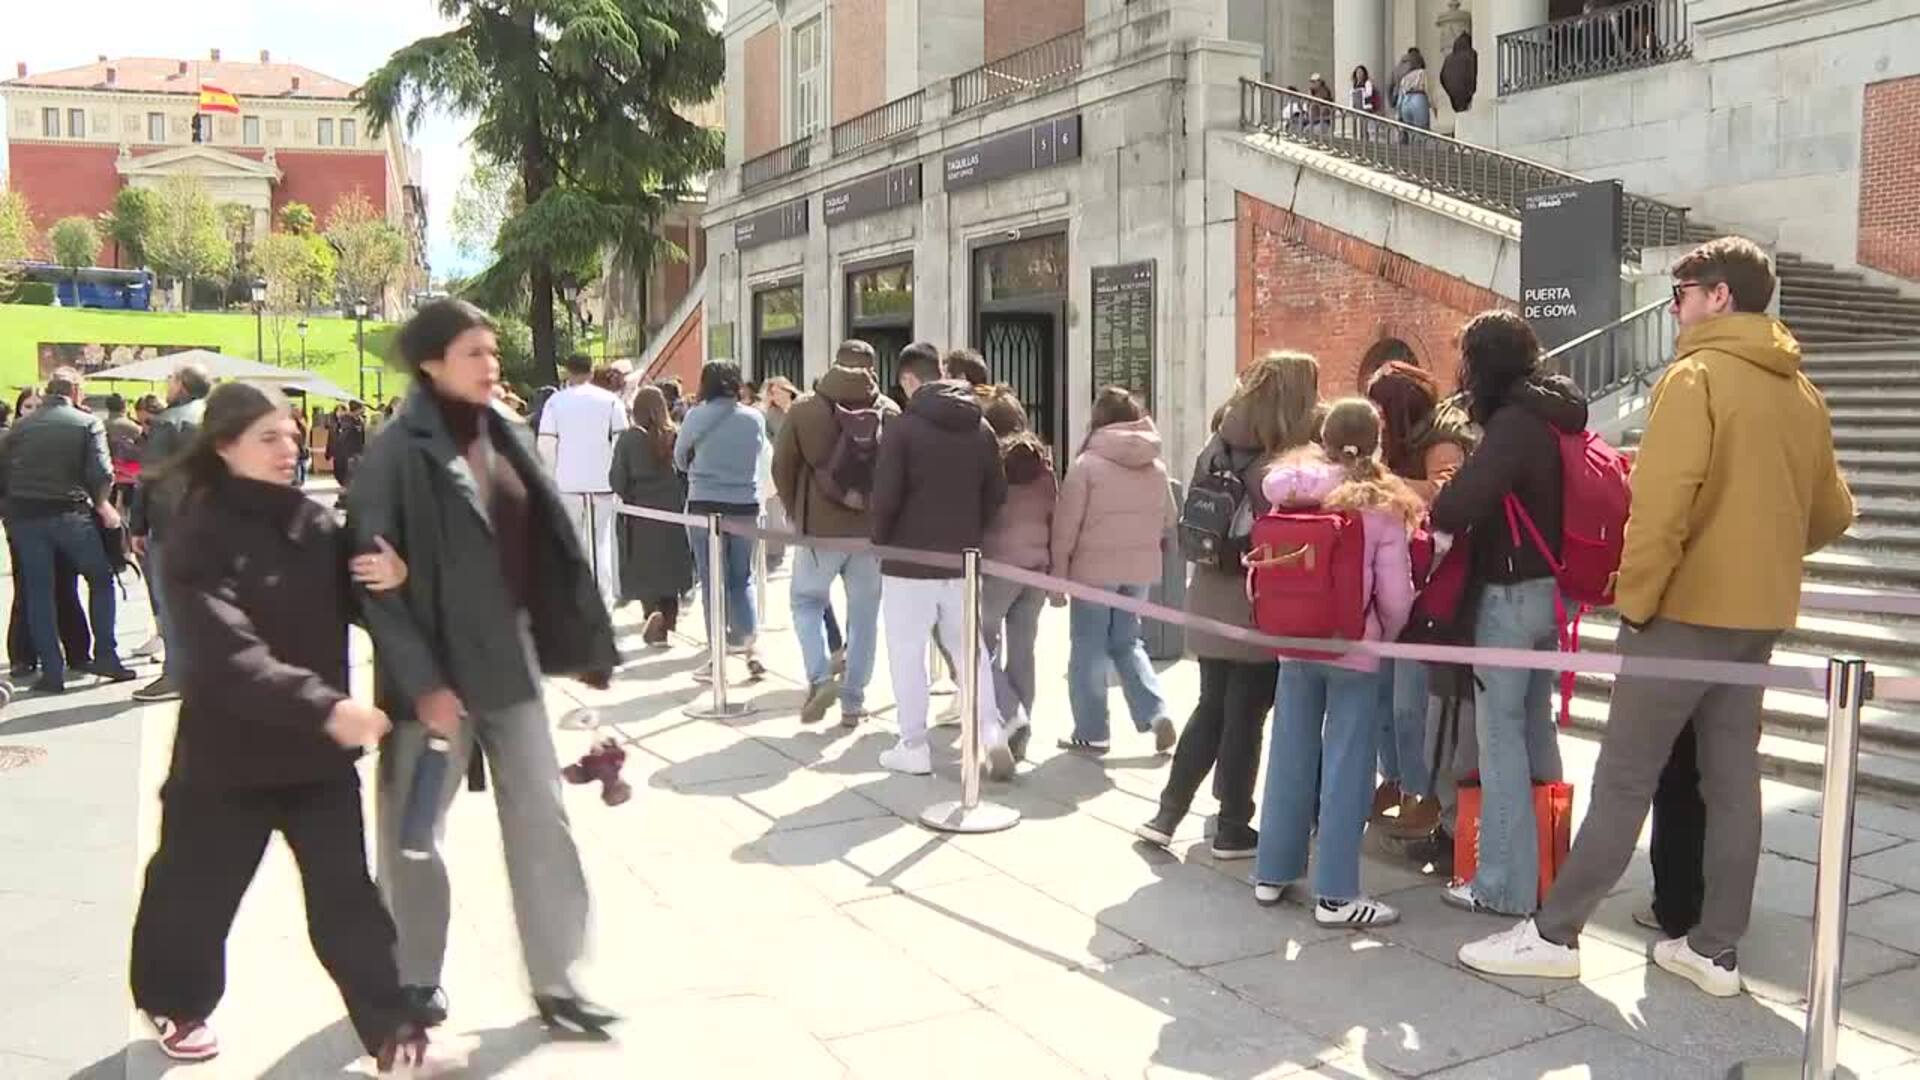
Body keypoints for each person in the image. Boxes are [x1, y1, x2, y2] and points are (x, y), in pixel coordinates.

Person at [1459, 238, 1856, 996]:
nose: (1673, 309)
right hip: (1756, 615)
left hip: (1682, 611)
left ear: (1719, 296)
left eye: (1681, 294)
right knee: (1733, 781)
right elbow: (1832, 511)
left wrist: (1636, 601)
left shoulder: (1695, 378)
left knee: (1624, 780)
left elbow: (1659, 513)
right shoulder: (1798, 389)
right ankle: (1714, 947)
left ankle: (1555, 932)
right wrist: (1761, 549)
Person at [126, 382, 426, 1069]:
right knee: (194, 893)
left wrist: (394, 577)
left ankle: (390, 1030)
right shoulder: (195, 536)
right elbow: (227, 654)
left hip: (317, 760)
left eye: (292, 435)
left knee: (348, 901)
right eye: (269, 437)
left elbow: (362, 599)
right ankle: (176, 1002)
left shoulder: (312, 523)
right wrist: (326, 706)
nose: (290, 448)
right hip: (225, 762)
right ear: (225, 445)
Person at [348, 299, 620, 1035]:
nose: (491, 365)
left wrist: (584, 643)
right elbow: (370, 581)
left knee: (542, 818)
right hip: (431, 674)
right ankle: (412, 976)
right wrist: (425, 684)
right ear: (430, 363)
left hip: (509, 660)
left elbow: (549, 548)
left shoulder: (507, 432)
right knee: (415, 830)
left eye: (493, 351)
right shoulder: (395, 451)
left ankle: (560, 980)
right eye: (474, 352)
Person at [1428, 310, 1587, 917]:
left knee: (1499, 737)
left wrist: (1448, 488)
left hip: (1511, 593)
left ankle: (1502, 884)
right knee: (1536, 725)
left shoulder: (1514, 422)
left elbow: (1458, 505)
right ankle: (1548, 869)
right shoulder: (1554, 410)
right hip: (1552, 590)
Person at [1138, 352, 1320, 858]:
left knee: (1212, 706)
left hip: (1207, 594)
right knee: (1246, 716)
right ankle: (1233, 824)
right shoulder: (1285, 461)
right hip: (1258, 602)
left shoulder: (1216, 443)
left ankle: (1167, 814)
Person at [1251, 398, 1421, 927]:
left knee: (1288, 755)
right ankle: (1337, 894)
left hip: (1293, 640)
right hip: (1354, 647)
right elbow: (1396, 595)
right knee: (1348, 767)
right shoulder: (1380, 504)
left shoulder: (1288, 490)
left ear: (1322, 438)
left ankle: (1272, 871)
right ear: (1377, 442)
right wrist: (1385, 635)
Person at [868, 343, 1017, 778]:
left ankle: (913, 744)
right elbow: (996, 494)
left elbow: (885, 497)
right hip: (962, 558)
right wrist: (970, 531)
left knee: (907, 654)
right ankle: (991, 732)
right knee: (970, 651)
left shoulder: (903, 428)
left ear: (909, 379)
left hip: (908, 561)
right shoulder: (980, 426)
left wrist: (881, 540)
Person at [1365, 362, 1475, 839]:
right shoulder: (1398, 443)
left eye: (1380, 409)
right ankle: (1396, 778)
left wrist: (1382, 481)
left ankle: (1421, 792)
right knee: (1383, 696)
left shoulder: (1443, 439)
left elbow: (1446, 496)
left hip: (1430, 588)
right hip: (1395, 582)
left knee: (1408, 703)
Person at [770, 341, 897, 727]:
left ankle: (820, 676)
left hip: (819, 532)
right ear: (872, 368)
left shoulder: (805, 408)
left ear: (835, 364)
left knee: (806, 602)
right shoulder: (889, 410)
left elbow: (782, 466)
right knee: (864, 617)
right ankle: (853, 701)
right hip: (870, 534)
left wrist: (796, 511)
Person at [1051, 386, 1178, 754]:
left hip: (1093, 570)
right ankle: (1156, 713)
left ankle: (1092, 730)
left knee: (1088, 647)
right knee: (1128, 642)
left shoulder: (1086, 465)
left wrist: (1057, 578)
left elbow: (1066, 527)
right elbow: (1169, 518)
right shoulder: (1156, 466)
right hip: (1139, 570)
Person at [0, 368, 135, 693]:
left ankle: (52, 671)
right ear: (75, 391)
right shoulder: (86, 423)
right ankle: (106, 655)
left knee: (38, 591)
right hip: (70, 513)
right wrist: (102, 504)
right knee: (100, 578)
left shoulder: (20, 427)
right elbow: (102, 472)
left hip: (25, 516)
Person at [675, 360, 769, 680]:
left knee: (712, 581)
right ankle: (752, 647)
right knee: (743, 578)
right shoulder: (754, 418)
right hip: (745, 504)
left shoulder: (696, 416)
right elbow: (758, 456)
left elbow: (679, 458)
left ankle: (717, 659)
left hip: (705, 503)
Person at [129, 363, 212, 704]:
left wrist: (137, 525)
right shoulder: (218, 418)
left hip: (173, 522)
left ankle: (176, 674)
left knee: (172, 602)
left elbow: (150, 476)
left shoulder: (170, 421)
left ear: (183, 385)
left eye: (171, 379)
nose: (167, 383)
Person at [980, 387, 1056, 759]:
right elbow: (1055, 517)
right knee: (1024, 650)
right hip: (1036, 569)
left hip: (997, 568)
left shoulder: (989, 465)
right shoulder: (1044, 468)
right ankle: (1021, 728)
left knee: (978, 648)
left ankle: (1011, 714)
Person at [2, 388, 92, 680]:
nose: (32, 411)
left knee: (65, 585)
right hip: (22, 519)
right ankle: (23, 655)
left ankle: (77, 652)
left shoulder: (61, 435)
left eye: (37, 405)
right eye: (27, 406)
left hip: (62, 517)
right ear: (19, 410)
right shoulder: (12, 438)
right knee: (26, 588)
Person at [537, 353, 630, 610]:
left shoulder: (555, 402)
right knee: (601, 541)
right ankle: (603, 601)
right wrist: (617, 477)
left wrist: (551, 476)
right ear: (591, 371)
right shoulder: (610, 401)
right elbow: (620, 443)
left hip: (567, 483)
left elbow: (546, 444)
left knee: (570, 543)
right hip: (603, 483)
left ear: (568, 372)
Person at [609, 385, 694, 646]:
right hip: (672, 510)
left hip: (639, 511)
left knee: (646, 568)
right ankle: (668, 620)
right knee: (671, 566)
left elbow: (617, 480)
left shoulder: (629, 439)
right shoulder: (674, 435)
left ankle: (652, 614)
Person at [760, 375, 798, 572]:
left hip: (796, 464)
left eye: (777, 391)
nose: (774, 395)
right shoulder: (769, 415)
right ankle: (775, 550)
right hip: (777, 465)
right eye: (771, 392)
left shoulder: (798, 410)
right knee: (776, 508)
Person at [329, 401, 368, 487]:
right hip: (349, 453)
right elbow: (342, 437)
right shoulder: (346, 421)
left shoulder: (359, 420)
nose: (364, 410)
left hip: (358, 451)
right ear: (357, 409)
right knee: (349, 475)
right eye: (362, 408)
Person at [1440, 32, 1478, 113]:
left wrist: (1450, 92)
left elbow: (1442, 77)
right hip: (1467, 95)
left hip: (1454, 96)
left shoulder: (1448, 58)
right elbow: (1472, 74)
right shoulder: (1471, 54)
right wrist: (1471, 91)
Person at [1396, 49, 1432, 132]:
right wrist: (1433, 105)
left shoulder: (1405, 77)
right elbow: (1428, 89)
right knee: (1422, 132)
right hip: (1419, 99)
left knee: (1410, 132)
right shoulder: (1422, 73)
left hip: (1405, 102)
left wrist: (1398, 112)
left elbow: (1400, 95)